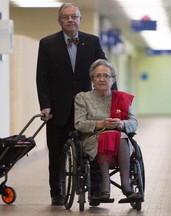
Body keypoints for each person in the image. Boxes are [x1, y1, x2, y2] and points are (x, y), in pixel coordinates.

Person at [36, 3, 107, 205]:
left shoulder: (92, 42)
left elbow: (105, 70)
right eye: (65, 17)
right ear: (59, 21)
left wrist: (113, 98)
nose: (70, 20)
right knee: (56, 152)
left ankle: (95, 192)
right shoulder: (47, 44)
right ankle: (56, 192)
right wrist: (45, 105)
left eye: (73, 16)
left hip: (87, 109)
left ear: (79, 19)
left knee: (92, 149)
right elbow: (42, 77)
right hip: (58, 108)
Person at [74, 59, 143, 204]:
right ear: (92, 79)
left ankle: (126, 186)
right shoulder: (83, 98)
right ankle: (106, 187)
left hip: (119, 140)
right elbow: (79, 124)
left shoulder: (121, 98)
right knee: (107, 136)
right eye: (98, 76)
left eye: (106, 76)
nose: (102, 79)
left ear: (112, 80)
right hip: (93, 139)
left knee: (120, 136)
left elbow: (134, 123)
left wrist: (121, 123)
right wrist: (100, 124)